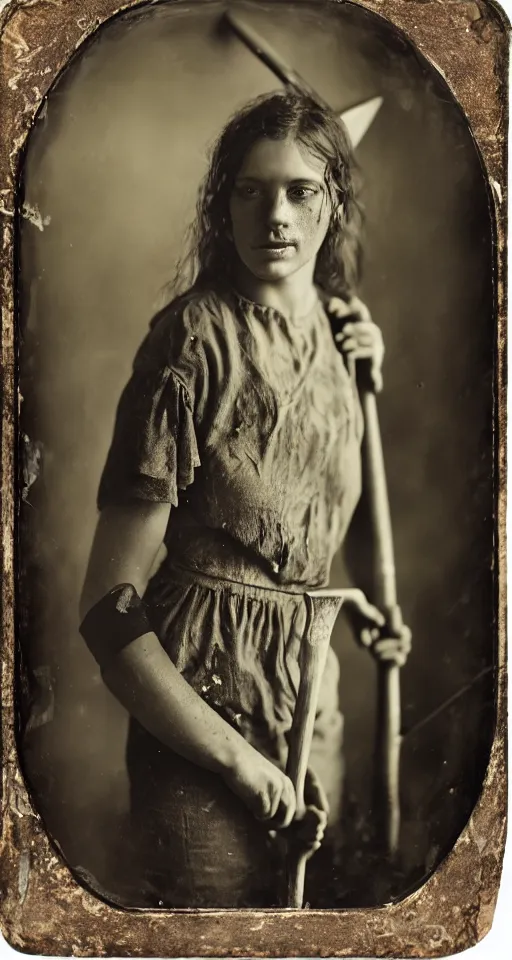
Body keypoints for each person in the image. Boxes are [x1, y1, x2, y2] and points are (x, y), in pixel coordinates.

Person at [79, 91, 411, 908]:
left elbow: (319, 519)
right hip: (200, 716)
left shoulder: (344, 336)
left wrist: (361, 604)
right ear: (221, 202)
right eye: (251, 190)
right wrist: (233, 759)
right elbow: (106, 608)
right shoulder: (190, 342)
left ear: (334, 202)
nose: (276, 215)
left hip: (311, 708)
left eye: (301, 190)